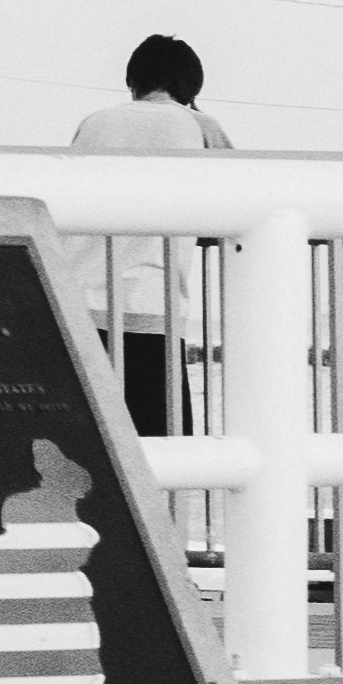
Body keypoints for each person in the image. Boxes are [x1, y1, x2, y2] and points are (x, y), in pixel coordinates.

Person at [66, 35, 231, 440]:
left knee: (89, 447)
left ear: (132, 79)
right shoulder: (198, 124)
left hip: (75, 305)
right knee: (166, 443)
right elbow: (237, 201)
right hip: (149, 308)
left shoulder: (95, 121)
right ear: (192, 85)